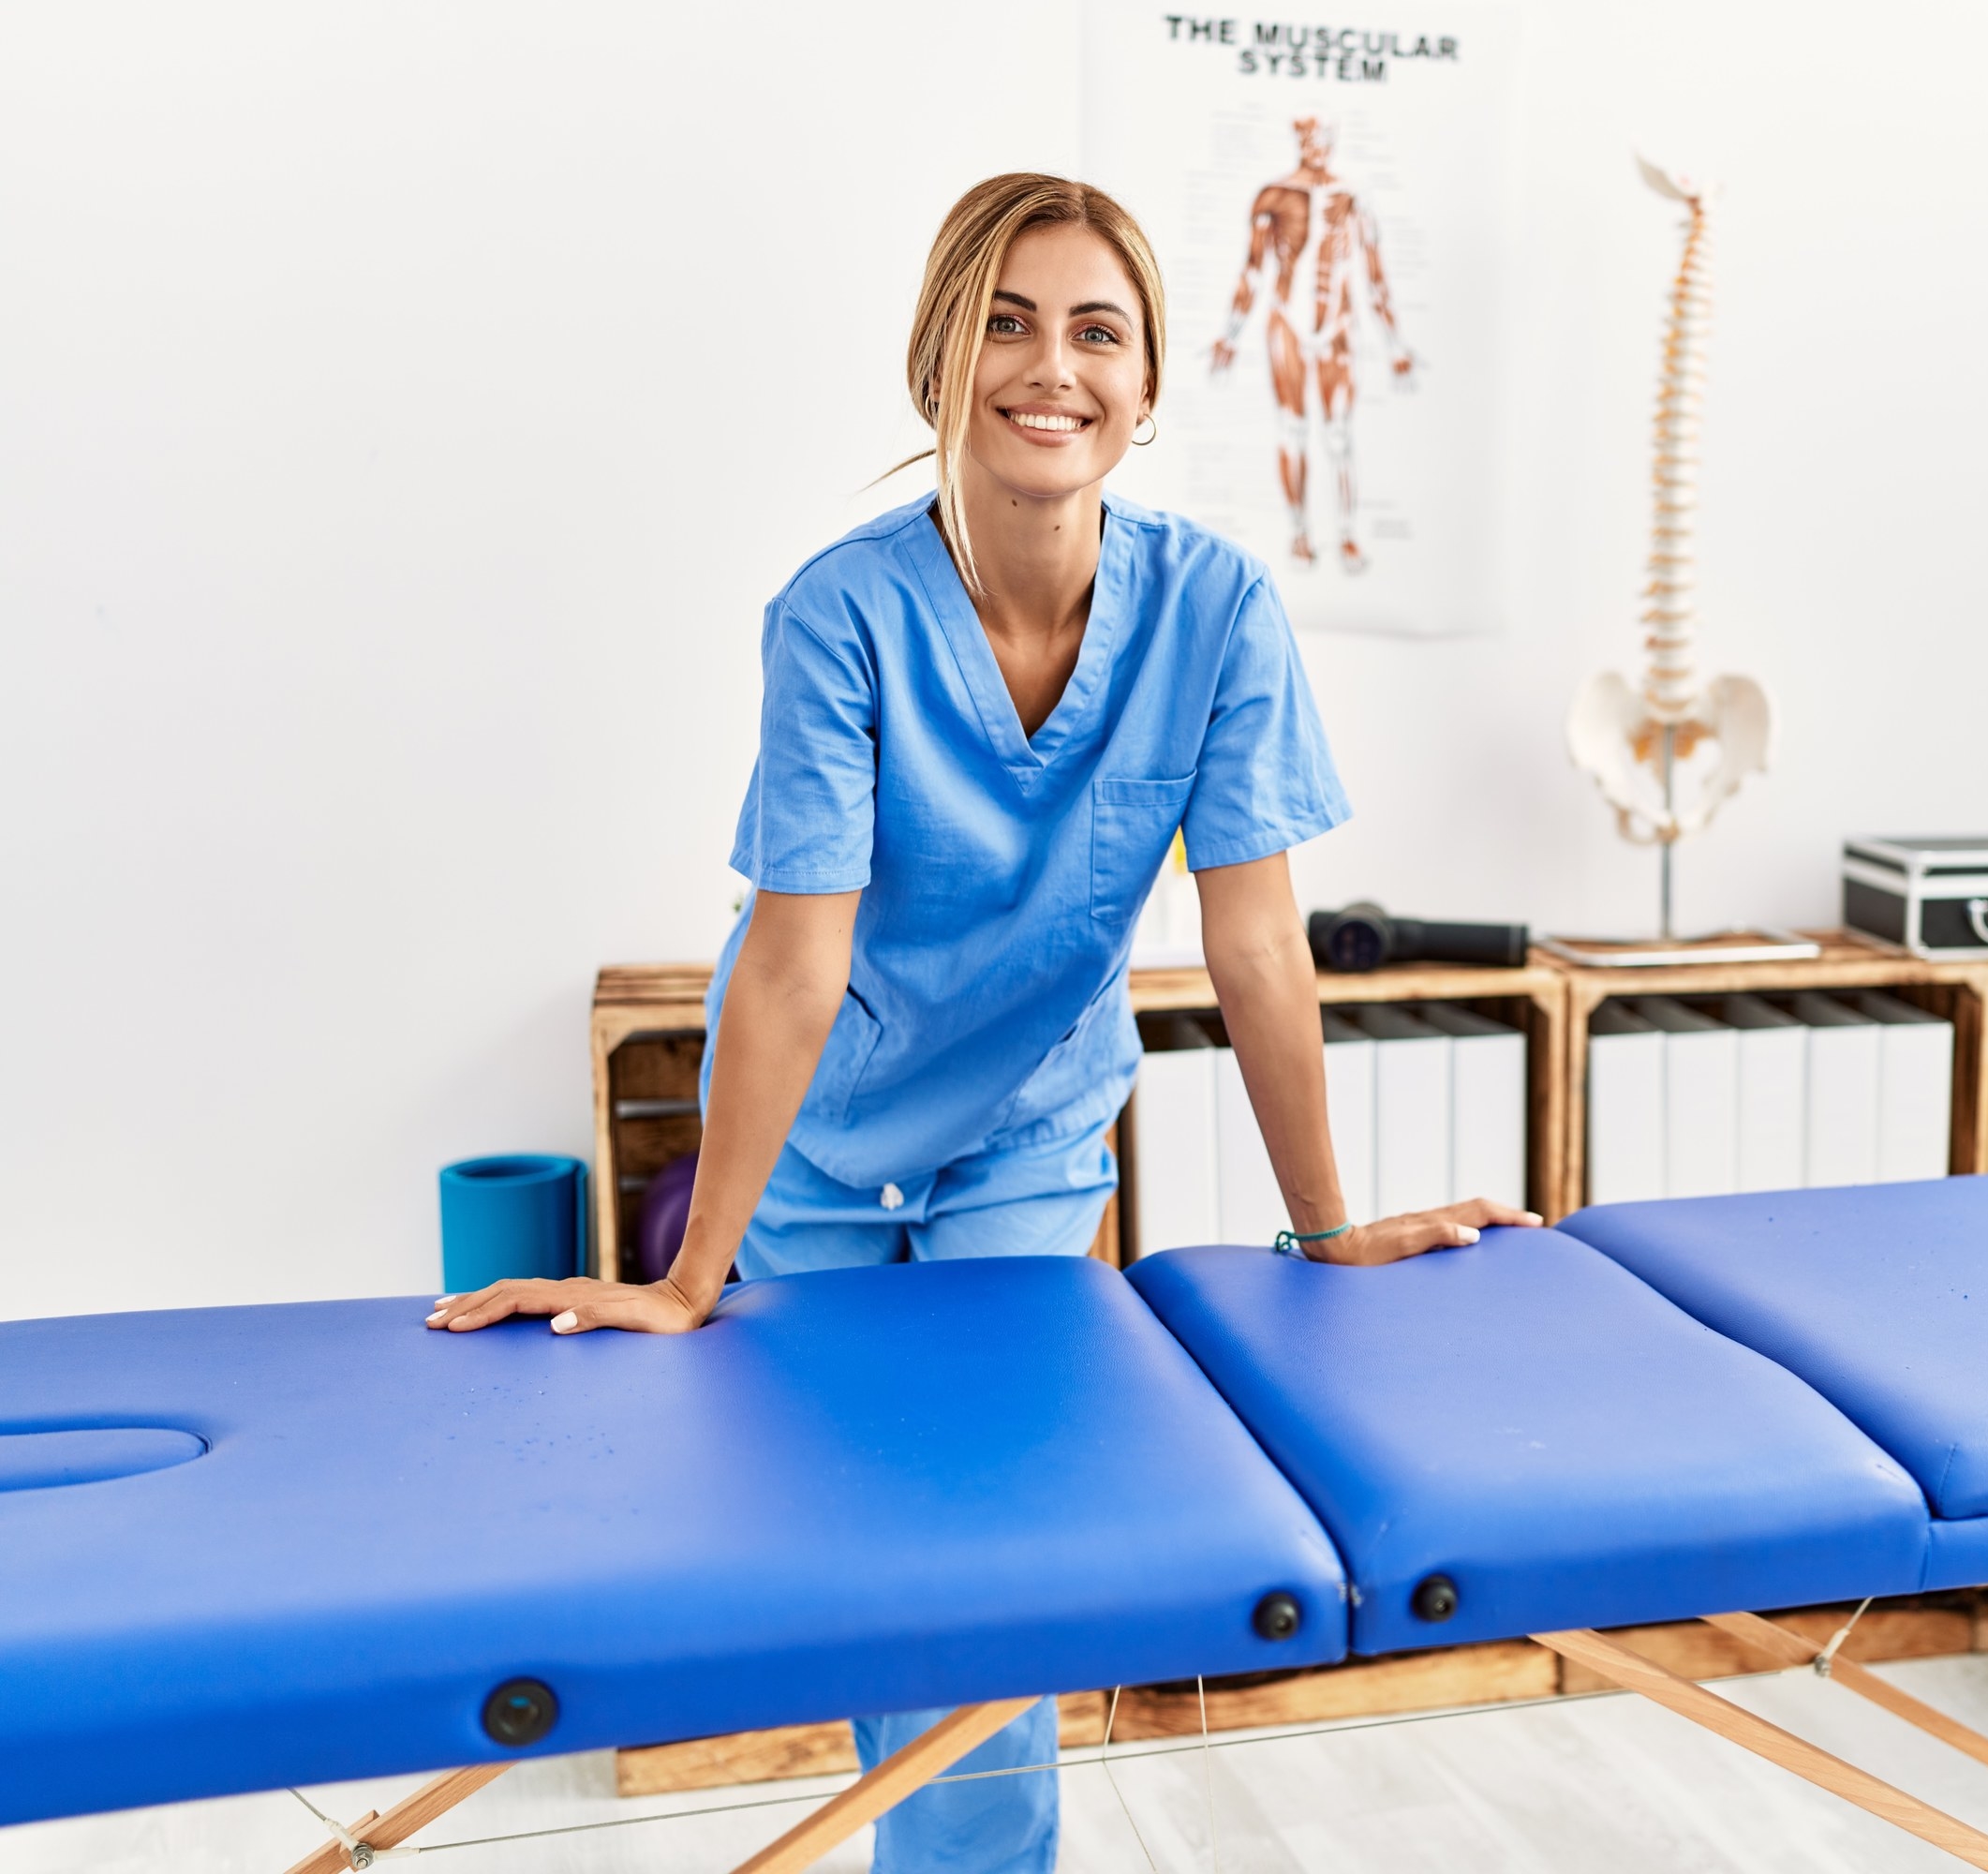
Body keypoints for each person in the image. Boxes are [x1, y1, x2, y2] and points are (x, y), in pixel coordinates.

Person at [423, 172, 1533, 1874]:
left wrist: (1327, 1231)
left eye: (1099, 330)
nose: (1052, 366)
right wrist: (691, 1276)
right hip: (814, 1141)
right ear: (937, 356)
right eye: (1007, 320)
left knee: (988, 1560)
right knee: (866, 1561)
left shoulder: (1216, 609)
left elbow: (1254, 946)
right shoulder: (841, 616)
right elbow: (793, 967)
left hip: (1023, 1139)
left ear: (1149, 389)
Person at [1209, 115, 1414, 573]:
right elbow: (1253, 269)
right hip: (1288, 324)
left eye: (1326, 138)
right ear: (1299, 140)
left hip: (1338, 325)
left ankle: (1347, 535)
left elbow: (1374, 274)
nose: (1318, 146)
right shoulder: (1274, 195)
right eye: (1310, 138)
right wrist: (1231, 334)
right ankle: (1300, 533)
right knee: (1293, 430)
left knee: (1339, 434)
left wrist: (1395, 344)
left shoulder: (1354, 198)